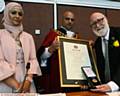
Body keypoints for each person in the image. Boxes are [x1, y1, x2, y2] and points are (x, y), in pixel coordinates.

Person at [0, 2, 42, 93]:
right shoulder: (0, 35)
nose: (17, 16)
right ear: (7, 14)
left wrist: (28, 81)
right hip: (5, 81)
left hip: (27, 82)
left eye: (20, 14)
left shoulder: (28, 37)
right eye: (13, 12)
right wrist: (16, 85)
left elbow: (33, 60)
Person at [37, 11, 81, 93]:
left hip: (73, 77)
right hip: (57, 75)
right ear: (62, 20)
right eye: (67, 19)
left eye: (72, 20)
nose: (70, 21)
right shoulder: (53, 34)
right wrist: (51, 49)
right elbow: (41, 56)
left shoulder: (77, 37)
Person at [90, 12, 120, 92]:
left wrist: (113, 85)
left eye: (100, 20)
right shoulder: (97, 43)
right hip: (106, 90)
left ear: (106, 19)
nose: (97, 25)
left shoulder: (118, 34)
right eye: (93, 24)